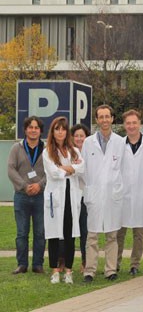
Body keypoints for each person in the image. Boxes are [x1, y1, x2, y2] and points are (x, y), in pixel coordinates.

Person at [82, 105, 125, 282]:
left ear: (112, 119)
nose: (105, 120)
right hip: (94, 194)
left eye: (108, 116)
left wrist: (118, 188)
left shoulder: (120, 142)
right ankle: (89, 271)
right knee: (92, 236)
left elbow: (123, 169)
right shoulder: (88, 142)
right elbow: (84, 169)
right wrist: (88, 190)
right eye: (101, 117)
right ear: (97, 120)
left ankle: (110, 269)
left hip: (112, 195)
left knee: (111, 235)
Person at [42, 117, 84, 284]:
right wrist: (70, 169)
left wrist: (65, 168)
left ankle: (68, 271)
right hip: (55, 197)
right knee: (53, 235)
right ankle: (54, 271)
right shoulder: (47, 152)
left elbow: (81, 168)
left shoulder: (74, 150)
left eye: (63, 129)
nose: (60, 132)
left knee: (69, 234)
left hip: (70, 197)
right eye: (57, 129)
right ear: (53, 132)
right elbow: (53, 173)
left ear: (67, 132)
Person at [117, 110, 143, 276]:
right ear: (124, 125)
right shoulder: (119, 144)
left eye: (134, 123)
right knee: (119, 232)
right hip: (122, 194)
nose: (131, 126)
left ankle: (135, 264)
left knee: (138, 234)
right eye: (128, 123)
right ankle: (115, 263)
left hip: (142, 193)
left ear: (140, 123)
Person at [7, 116, 46, 275]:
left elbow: (52, 170)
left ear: (40, 131)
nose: (33, 130)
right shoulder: (16, 148)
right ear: (25, 130)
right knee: (22, 233)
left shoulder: (47, 149)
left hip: (40, 196)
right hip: (21, 196)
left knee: (40, 233)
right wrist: (24, 185)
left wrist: (40, 185)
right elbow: (11, 169)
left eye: (36, 127)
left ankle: (38, 264)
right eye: (30, 127)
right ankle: (22, 264)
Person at [70, 123, 90, 272]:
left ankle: (85, 262)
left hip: (86, 196)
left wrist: (77, 168)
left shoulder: (91, 152)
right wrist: (76, 168)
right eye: (76, 135)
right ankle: (64, 261)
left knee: (85, 231)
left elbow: (87, 173)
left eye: (81, 135)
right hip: (70, 196)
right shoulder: (67, 152)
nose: (79, 138)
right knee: (68, 230)